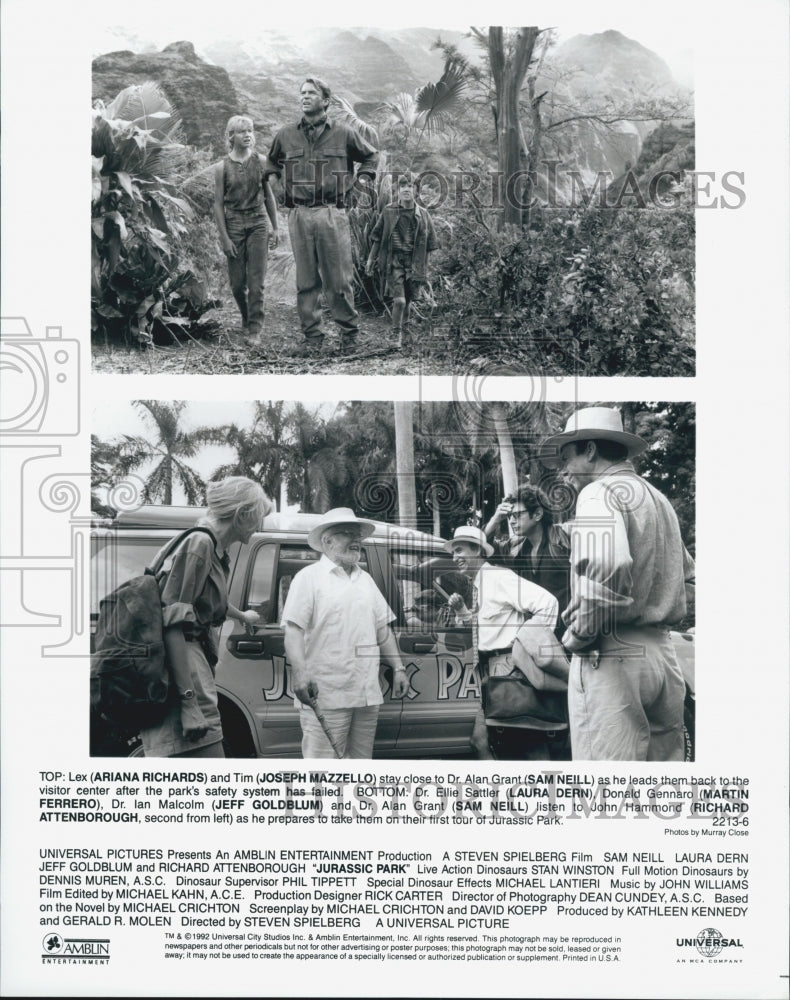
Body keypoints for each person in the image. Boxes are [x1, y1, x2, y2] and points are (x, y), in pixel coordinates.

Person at [541, 406, 695, 761]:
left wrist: (579, 634)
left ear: (590, 450)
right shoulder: (657, 499)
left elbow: (608, 564)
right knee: (658, 793)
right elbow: (689, 580)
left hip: (611, 652)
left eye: (567, 457)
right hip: (662, 656)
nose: (564, 469)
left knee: (607, 794)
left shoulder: (598, 492)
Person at [140, 477, 273, 757]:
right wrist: (189, 703)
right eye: (258, 516)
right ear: (242, 515)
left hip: (189, 665)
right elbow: (172, 623)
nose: (260, 525)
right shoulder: (199, 545)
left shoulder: (209, 546)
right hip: (183, 668)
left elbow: (206, 601)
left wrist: (242, 616)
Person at [281, 508, 409, 758]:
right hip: (326, 694)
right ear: (327, 541)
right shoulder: (308, 578)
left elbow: (382, 629)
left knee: (361, 768)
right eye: (347, 533)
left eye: (357, 535)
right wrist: (300, 673)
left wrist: (398, 668)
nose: (356, 540)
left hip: (366, 693)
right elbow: (293, 630)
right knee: (324, 772)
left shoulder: (366, 580)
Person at [266, 78, 379, 357]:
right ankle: (312, 338)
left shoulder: (344, 133)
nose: (305, 97)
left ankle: (349, 337)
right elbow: (270, 163)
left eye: (311, 93)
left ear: (325, 100)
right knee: (306, 282)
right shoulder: (285, 135)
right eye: (302, 93)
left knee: (339, 280)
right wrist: (278, 188)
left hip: (332, 212)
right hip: (299, 214)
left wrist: (358, 188)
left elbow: (371, 157)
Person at [445, 525, 565, 760]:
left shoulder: (498, 578)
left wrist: (527, 647)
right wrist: (462, 612)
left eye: (459, 551)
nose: (455, 557)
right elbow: (490, 628)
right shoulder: (480, 584)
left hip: (509, 669)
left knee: (527, 743)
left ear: (478, 550)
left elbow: (547, 603)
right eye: (452, 553)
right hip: (491, 672)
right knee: (481, 742)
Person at [213, 115, 280, 346]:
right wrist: (224, 237)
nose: (248, 134)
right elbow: (217, 204)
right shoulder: (222, 167)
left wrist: (275, 226)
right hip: (233, 225)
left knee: (256, 281)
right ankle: (246, 315)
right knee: (237, 284)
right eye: (242, 131)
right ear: (231, 136)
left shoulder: (261, 161)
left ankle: (255, 329)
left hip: (258, 222)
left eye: (250, 130)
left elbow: (268, 196)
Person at [484, 483, 571, 638]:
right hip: (538, 638)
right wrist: (495, 519)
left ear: (537, 514)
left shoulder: (564, 538)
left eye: (517, 515)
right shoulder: (515, 548)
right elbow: (482, 550)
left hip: (570, 634)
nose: (511, 521)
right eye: (509, 516)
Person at [365, 171, 438, 349]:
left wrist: (424, 270)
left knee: (409, 301)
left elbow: (429, 245)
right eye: (403, 186)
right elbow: (377, 237)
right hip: (394, 262)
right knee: (400, 301)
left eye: (410, 186)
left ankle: (404, 333)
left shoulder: (423, 215)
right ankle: (395, 333)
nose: (406, 189)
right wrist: (370, 260)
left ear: (416, 191)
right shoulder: (389, 211)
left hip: (413, 263)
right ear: (398, 190)